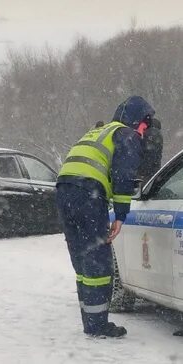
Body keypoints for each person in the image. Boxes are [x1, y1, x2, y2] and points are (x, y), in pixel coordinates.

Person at [56, 95, 154, 338]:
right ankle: (97, 325)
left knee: (83, 260)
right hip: (87, 194)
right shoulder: (126, 135)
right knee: (99, 262)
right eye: (145, 125)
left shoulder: (98, 132)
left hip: (63, 190)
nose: (144, 131)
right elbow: (123, 178)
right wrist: (120, 216)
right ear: (137, 120)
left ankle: (90, 320)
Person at [137, 117, 163, 182]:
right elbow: (157, 154)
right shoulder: (158, 135)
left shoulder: (147, 133)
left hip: (144, 170)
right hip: (153, 169)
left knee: (143, 188)